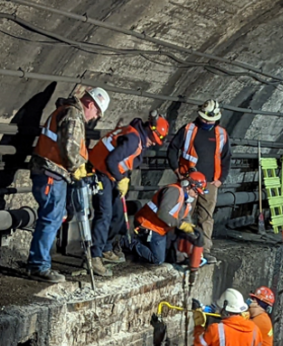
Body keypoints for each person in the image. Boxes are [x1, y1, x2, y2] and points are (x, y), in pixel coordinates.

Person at [25, 87, 110, 283]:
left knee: (54, 216)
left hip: (52, 172)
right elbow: (70, 148)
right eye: (97, 112)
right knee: (51, 217)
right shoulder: (73, 115)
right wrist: (78, 168)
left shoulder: (67, 111)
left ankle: (39, 263)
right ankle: (39, 266)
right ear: (90, 104)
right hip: (51, 172)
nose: (95, 117)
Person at [87, 112, 170, 276]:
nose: (153, 143)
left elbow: (123, 161)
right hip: (101, 173)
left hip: (112, 175)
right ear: (149, 131)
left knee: (117, 215)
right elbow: (112, 160)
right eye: (153, 139)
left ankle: (106, 248)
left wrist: (122, 177)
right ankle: (93, 256)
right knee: (104, 214)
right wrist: (121, 179)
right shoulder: (134, 139)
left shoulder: (138, 136)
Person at [167, 99, 232, 263]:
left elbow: (226, 158)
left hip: (210, 183)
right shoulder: (189, 129)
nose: (206, 122)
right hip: (189, 183)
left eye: (209, 119)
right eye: (203, 118)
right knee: (183, 215)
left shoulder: (222, 134)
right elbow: (172, 149)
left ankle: (203, 250)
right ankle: (181, 249)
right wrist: (178, 172)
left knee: (206, 217)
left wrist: (220, 180)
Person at [129, 172, 206, 265]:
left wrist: (194, 238)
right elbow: (163, 214)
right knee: (158, 259)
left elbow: (185, 219)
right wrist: (181, 225)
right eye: (196, 192)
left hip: (162, 228)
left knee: (171, 254)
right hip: (149, 225)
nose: (196, 196)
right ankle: (128, 242)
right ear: (188, 186)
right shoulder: (173, 191)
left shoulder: (185, 201)